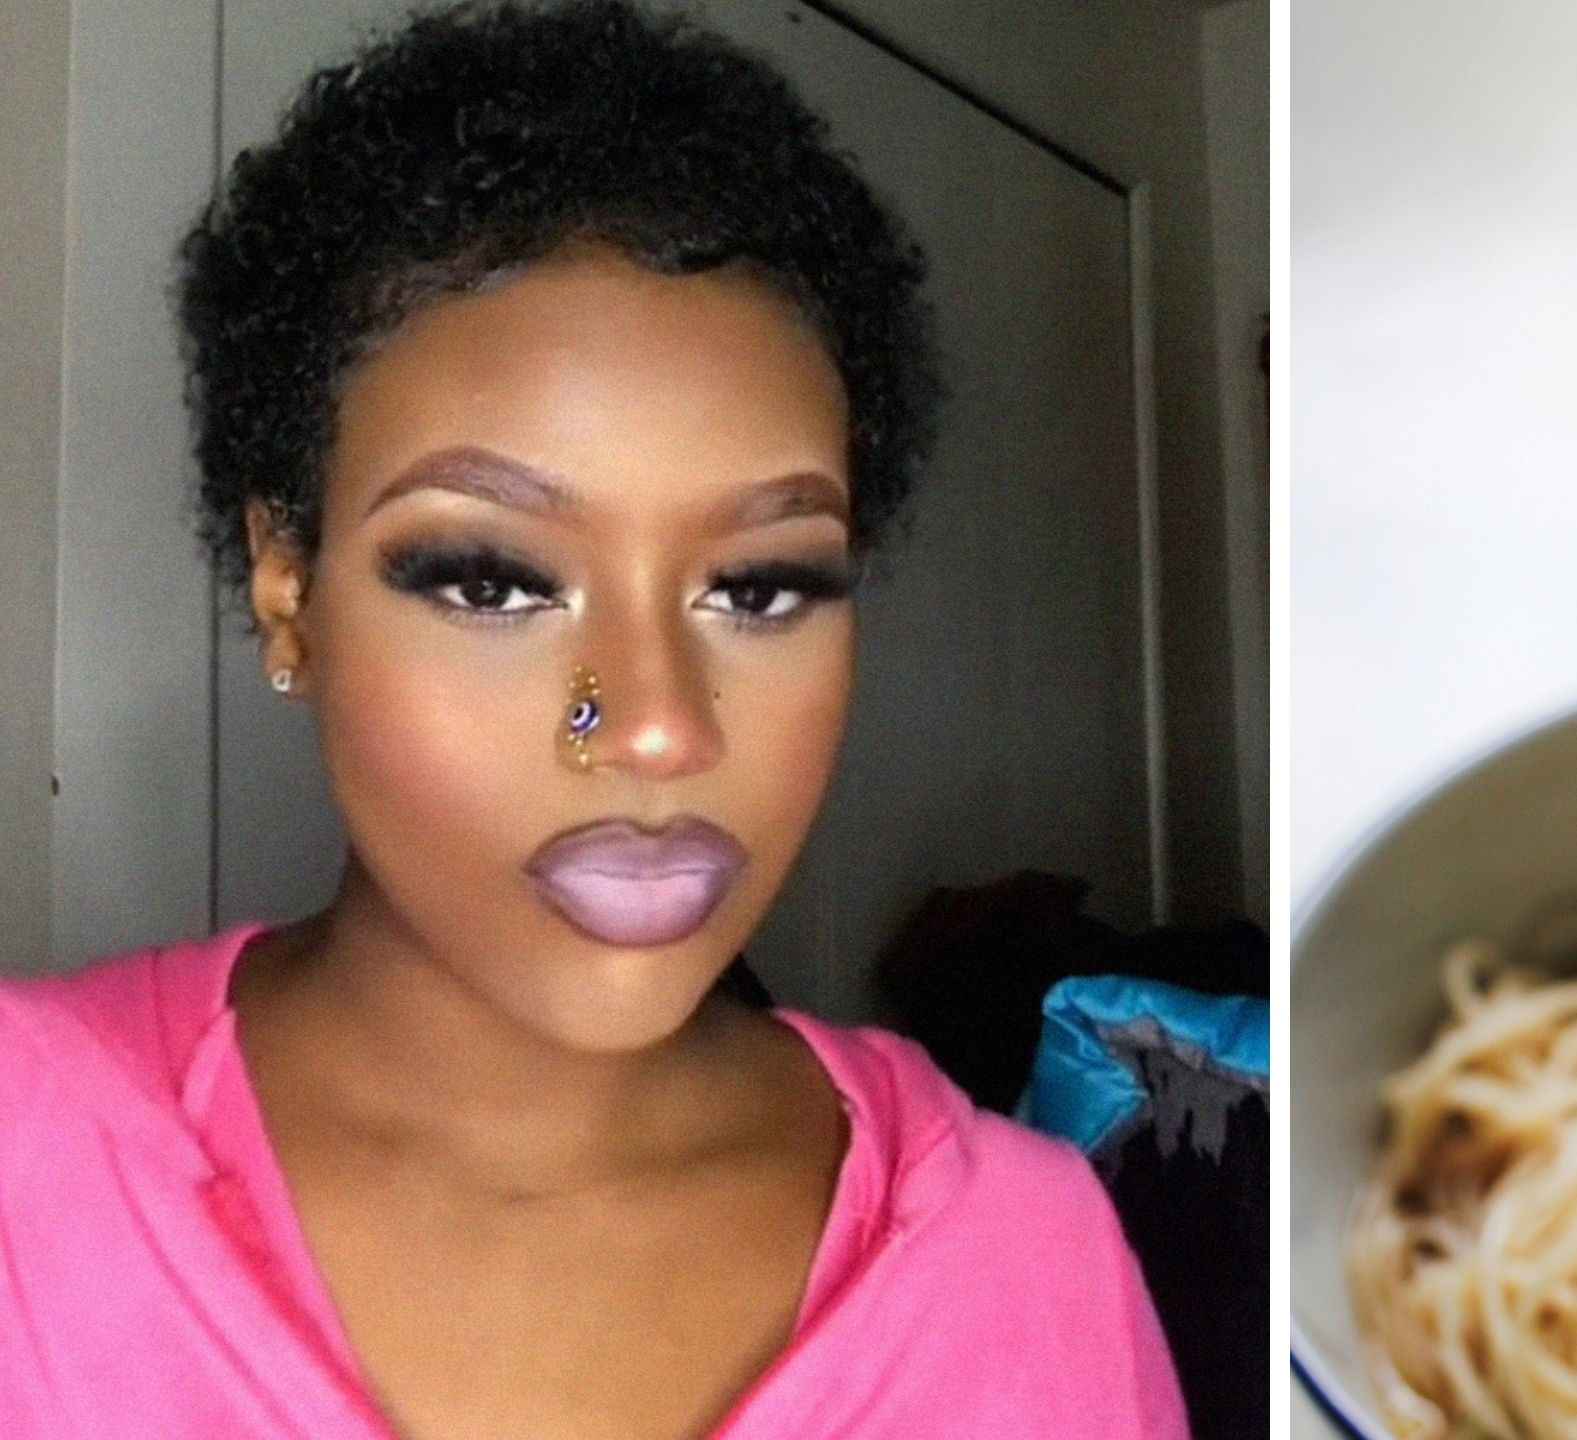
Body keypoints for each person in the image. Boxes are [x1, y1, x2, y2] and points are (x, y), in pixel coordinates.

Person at [0, 2, 1188, 1436]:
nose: (654, 731)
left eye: (758, 588)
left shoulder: (1030, 1253)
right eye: (494, 580)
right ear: (288, 592)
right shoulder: (26, 1163)